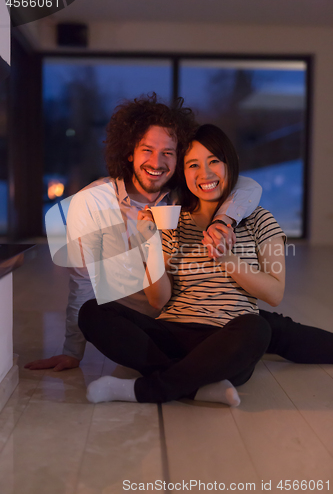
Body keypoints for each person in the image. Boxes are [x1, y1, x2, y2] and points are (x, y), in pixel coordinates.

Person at [79, 124, 333, 406]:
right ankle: (196, 385)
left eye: (214, 161)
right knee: (92, 311)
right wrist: (149, 243)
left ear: (230, 164)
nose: (205, 173)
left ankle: (148, 389)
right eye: (192, 164)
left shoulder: (260, 220)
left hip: (226, 337)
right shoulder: (173, 221)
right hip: (173, 332)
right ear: (182, 173)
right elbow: (158, 299)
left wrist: (226, 257)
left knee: (258, 328)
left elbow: (274, 294)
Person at [25, 94, 262, 372]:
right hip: (133, 324)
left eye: (168, 153)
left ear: (179, 158)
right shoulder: (93, 202)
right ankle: (191, 377)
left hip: (187, 317)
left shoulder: (184, 196)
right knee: (92, 314)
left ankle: (176, 376)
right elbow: (82, 285)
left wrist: (223, 220)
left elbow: (248, 185)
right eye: (147, 149)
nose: (157, 162)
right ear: (129, 152)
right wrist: (72, 352)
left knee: (264, 326)